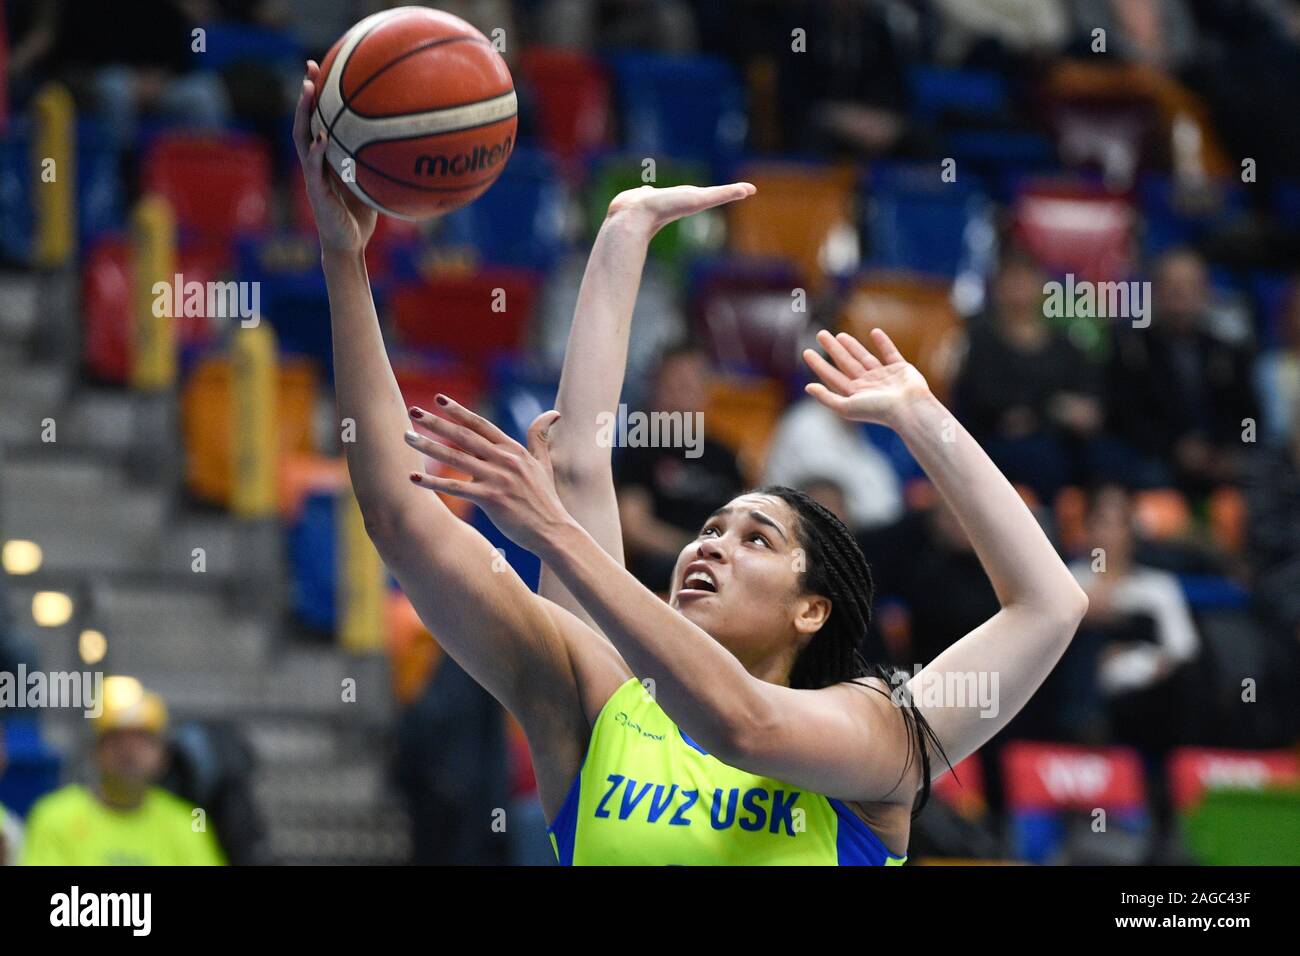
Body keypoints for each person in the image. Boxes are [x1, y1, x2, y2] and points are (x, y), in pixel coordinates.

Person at [294, 61, 1088, 864]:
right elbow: (409, 511)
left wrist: (922, 416)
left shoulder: (872, 737)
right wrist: (344, 257)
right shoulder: (600, 702)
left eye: (756, 540)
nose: (708, 544)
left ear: (810, 610)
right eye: (710, 527)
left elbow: (1047, 605)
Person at [21, 676, 226, 866]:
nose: (129, 753)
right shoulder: (54, 817)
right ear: (95, 751)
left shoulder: (187, 823)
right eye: (116, 741)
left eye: (141, 741)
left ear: (163, 755)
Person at [613, 342, 745, 590]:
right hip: (664, 564)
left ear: (705, 394)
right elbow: (633, 526)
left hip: (720, 560)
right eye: (670, 387)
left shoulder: (724, 454)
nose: (678, 398)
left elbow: (741, 522)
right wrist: (692, 549)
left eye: (687, 387)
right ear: (655, 392)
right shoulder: (641, 449)